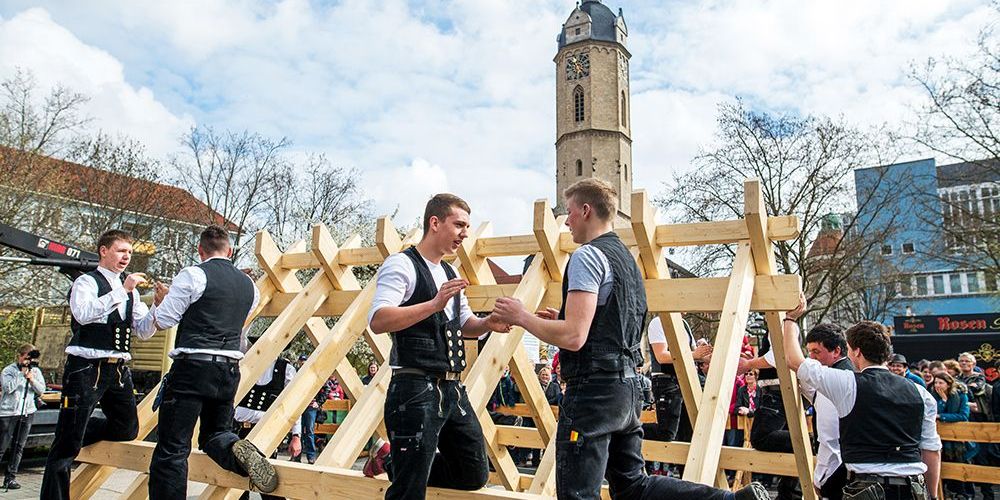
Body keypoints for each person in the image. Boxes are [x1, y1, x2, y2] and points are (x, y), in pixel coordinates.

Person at [493, 178, 768, 500]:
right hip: (626, 388)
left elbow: (573, 336)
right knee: (634, 486)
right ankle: (730, 499)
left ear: (585, 210)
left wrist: (521, 316)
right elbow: (604, 325)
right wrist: (565, 321)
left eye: (568, 213)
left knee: (578, 493)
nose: (565, 221)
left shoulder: (586, 257)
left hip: (593, 392)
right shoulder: (627, 262)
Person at [364, 193, 511, 500]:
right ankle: (402, 465)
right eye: (459, 225)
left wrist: (486, 325)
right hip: (414, 386)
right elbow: (378, 319)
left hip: (453, 389)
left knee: (474, 473)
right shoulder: (402, 264)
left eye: (467, 226)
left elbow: (464, 321)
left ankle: (392, 460)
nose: (465, 233)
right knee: (409, 491)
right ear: (435, 223)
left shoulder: (450, 272)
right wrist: (433, 304)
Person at [138, 225, 276, 499]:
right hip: (228, 369)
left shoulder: (193, 274)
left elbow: (164, 319)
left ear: (200, 250)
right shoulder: (249, 286)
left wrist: (164, 300)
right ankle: (239, 452)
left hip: (192, 367)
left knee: (172, 450)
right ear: (231, 251)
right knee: (215, 434)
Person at [780, 296, 942, 500]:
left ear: (856, 351)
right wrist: (933, 495)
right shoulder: (921, 392)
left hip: (867, 487)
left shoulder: (848, 384)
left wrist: (790, 319)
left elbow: (794, 360)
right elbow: (931, 450)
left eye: (849, 350)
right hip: (912, 488)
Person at [41, 229, 158, 499]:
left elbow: (142, 330)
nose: (126, 257)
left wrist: (157, 309)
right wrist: (121, 291)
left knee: (127, 428)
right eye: (121, 250)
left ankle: (75, 431)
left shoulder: (130, 293)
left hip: (117, 369)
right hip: (86, 367)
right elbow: (83, 314)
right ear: (104, 251)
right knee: (65, 449)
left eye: (129, 252)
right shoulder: (87, 282)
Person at [233, 357, 302, 500]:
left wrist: (296, 435)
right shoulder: (245, 365)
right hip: (240, 430)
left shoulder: (286, 369)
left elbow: (293, 403)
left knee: (268, 484)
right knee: (237, 484)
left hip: (267, 433)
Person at [801, 324, 855, 500]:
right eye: (809, 351)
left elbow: (829, 436)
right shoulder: (851, 373)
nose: (811, 357)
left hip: (838, 469)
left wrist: (821, 476)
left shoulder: (835, 380)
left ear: (836, 351)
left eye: (816, 351)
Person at [646, 316, 711, 442]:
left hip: (686, 380)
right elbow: (662, 356)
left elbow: (693, 354)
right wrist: (694, 354)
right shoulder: (658, 322)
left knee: (687, 433)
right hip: (667, 380)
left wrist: (705, 355)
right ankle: (630, 433)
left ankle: (680, 462)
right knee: (667, 433)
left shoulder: (684, 323)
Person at [0, 344, 45, 489]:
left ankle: (10, 478)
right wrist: (21, 374)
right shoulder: (9, 371)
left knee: (18, 447)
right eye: (25, 357)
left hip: (26, 412)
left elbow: (41, 390)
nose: (27, 361)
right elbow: (8, 388)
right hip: (8, 413)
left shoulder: (35, 371)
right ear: (20, 356)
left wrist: (31, 379)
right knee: (2, 446)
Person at [930, 372, 973, 500]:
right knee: (943, 468)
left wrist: (941, 416)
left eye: (941, 383)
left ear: (948, 384)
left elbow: (962, 416)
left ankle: (964, 494)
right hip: (940, 437)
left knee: (961, 466)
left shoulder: (960, 395)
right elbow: (932, 412)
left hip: (958, 440)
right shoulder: (933, 395)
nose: (937, 385)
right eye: (936, 382)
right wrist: (943, 401)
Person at [300, 380, 328, 464]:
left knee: (309, 431)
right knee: (298, 431)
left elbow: (327, 389)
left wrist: (318, 402)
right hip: (299, 404)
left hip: (311, 407)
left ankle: (311, 456)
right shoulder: (299, 372)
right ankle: (296, 455)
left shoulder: (318, 373)